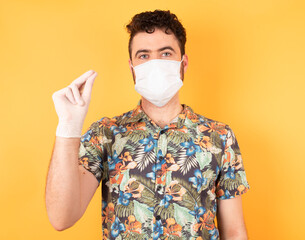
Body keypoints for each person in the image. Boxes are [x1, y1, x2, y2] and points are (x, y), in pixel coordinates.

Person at [46, 9, 250, 240]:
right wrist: (68, 127)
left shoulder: (219, 137)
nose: (154, 63)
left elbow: (233, 231)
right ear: (132, 67)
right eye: (143, 55)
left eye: (165, 53)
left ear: (183, 62)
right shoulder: (105, 134)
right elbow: (61, 218)